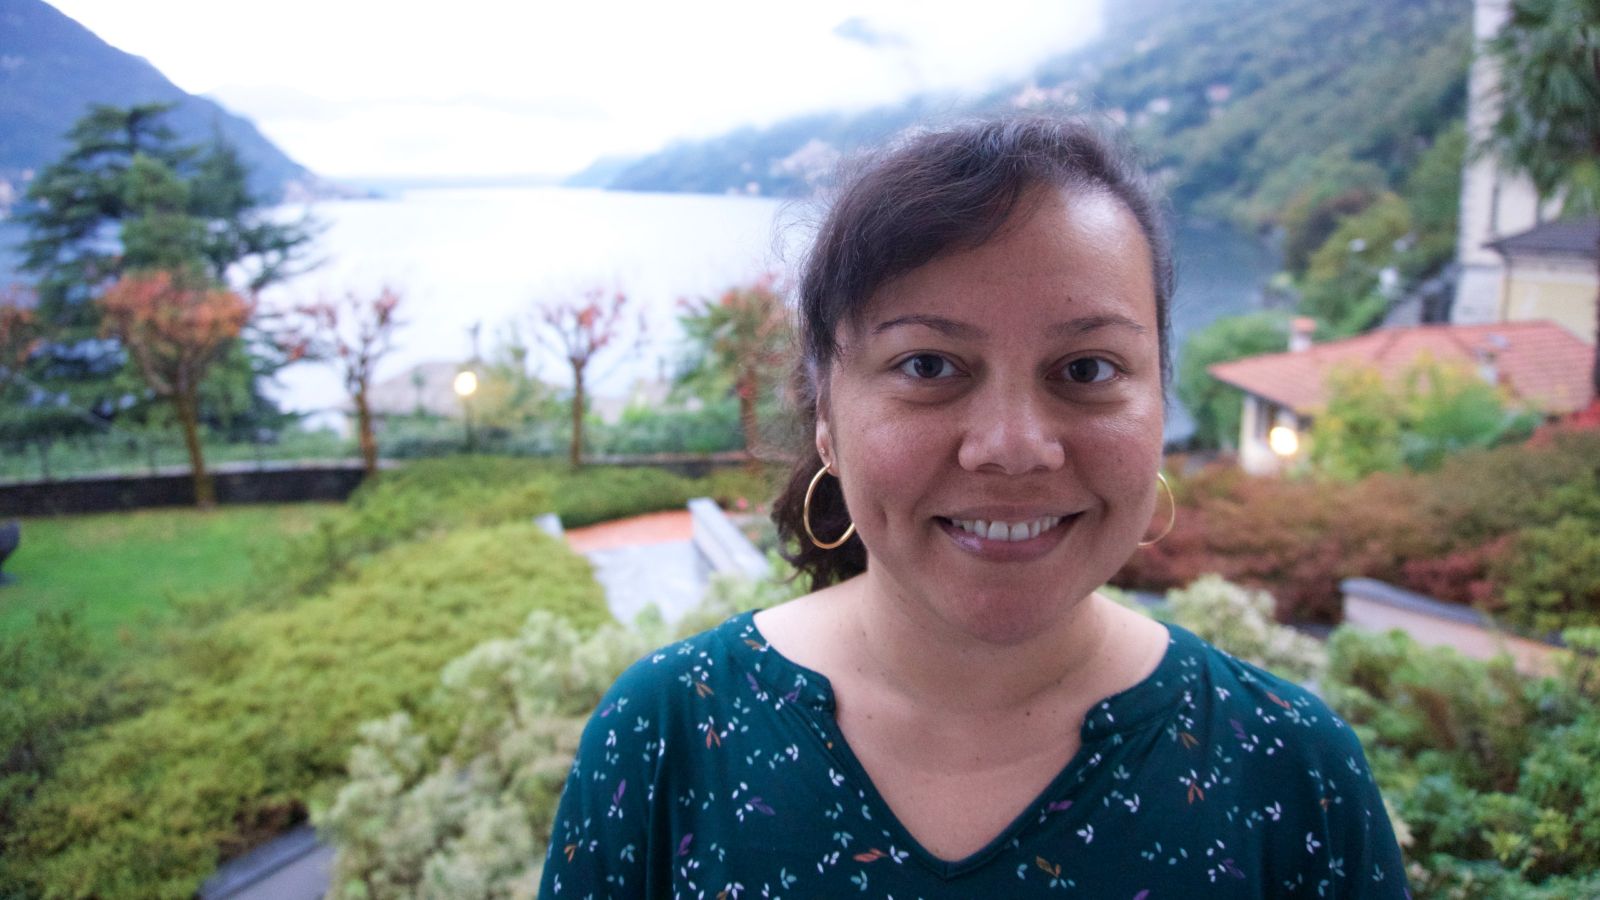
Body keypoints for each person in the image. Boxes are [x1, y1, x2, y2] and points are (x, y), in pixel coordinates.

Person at [538, 117, 1408, 898]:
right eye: (928, 366)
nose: (1014, 445)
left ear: (1160, 405)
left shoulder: (1292, 769)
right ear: (826, 418)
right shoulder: (671, 736)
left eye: (1088, 369)